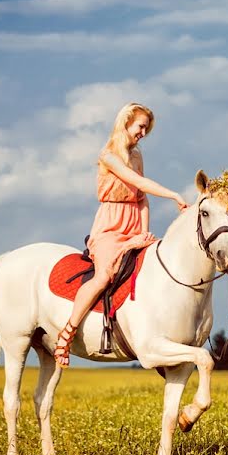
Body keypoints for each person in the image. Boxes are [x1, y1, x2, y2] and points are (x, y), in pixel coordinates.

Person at [54, 102, 188, 368]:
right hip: (110, 226)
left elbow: (141, 197)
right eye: (140, 127)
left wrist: (143, 233)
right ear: (126, 122)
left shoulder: (137, 156)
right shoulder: (109, 155)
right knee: (104, 275)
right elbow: (138, 183)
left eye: (146, 130)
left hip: (134, 224)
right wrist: (173, 194)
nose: (142, 133)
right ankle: (67, 333)